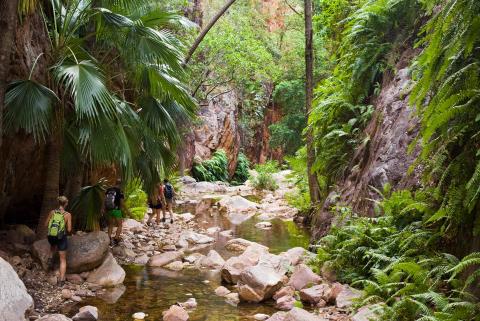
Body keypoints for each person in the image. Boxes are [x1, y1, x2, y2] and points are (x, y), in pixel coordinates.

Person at [45, 196, 72, 287]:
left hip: (51, 236)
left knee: (52, 245)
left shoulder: (52, 212)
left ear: (58, 203)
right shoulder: (67, 214)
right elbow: (69, 229)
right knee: (62, 259)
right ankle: (61, 281)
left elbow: (46, 224)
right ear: (66, 204)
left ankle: (50, 258)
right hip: (61, 237)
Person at [104, 179, 127, 246]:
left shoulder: (109, 190)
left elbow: (104, 199)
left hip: (109, 210)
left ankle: (108, 238)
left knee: (110, 225)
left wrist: (103, 208)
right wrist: (127, 211)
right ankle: (116, 239)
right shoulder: (120, 191)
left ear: (115, 183)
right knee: (120, 225)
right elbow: (122, 202)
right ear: (120, 184)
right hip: (116, 210)